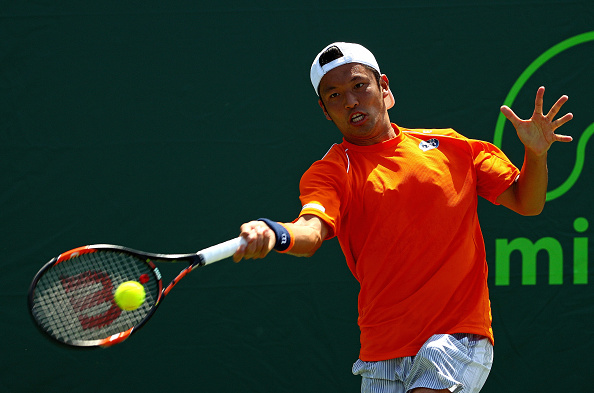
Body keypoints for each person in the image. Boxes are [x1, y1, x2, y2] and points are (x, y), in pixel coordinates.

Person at [232, 42, 573, 393]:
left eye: (358, 86)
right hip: (382, 349)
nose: (350, 101)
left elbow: (526, 202)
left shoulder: (452, 147)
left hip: (455, 336)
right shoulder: (330, 172)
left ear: (384, 87)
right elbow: (310, 230)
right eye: (334, 95)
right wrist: (276, 234)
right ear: (324, 110)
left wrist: (535, 153)